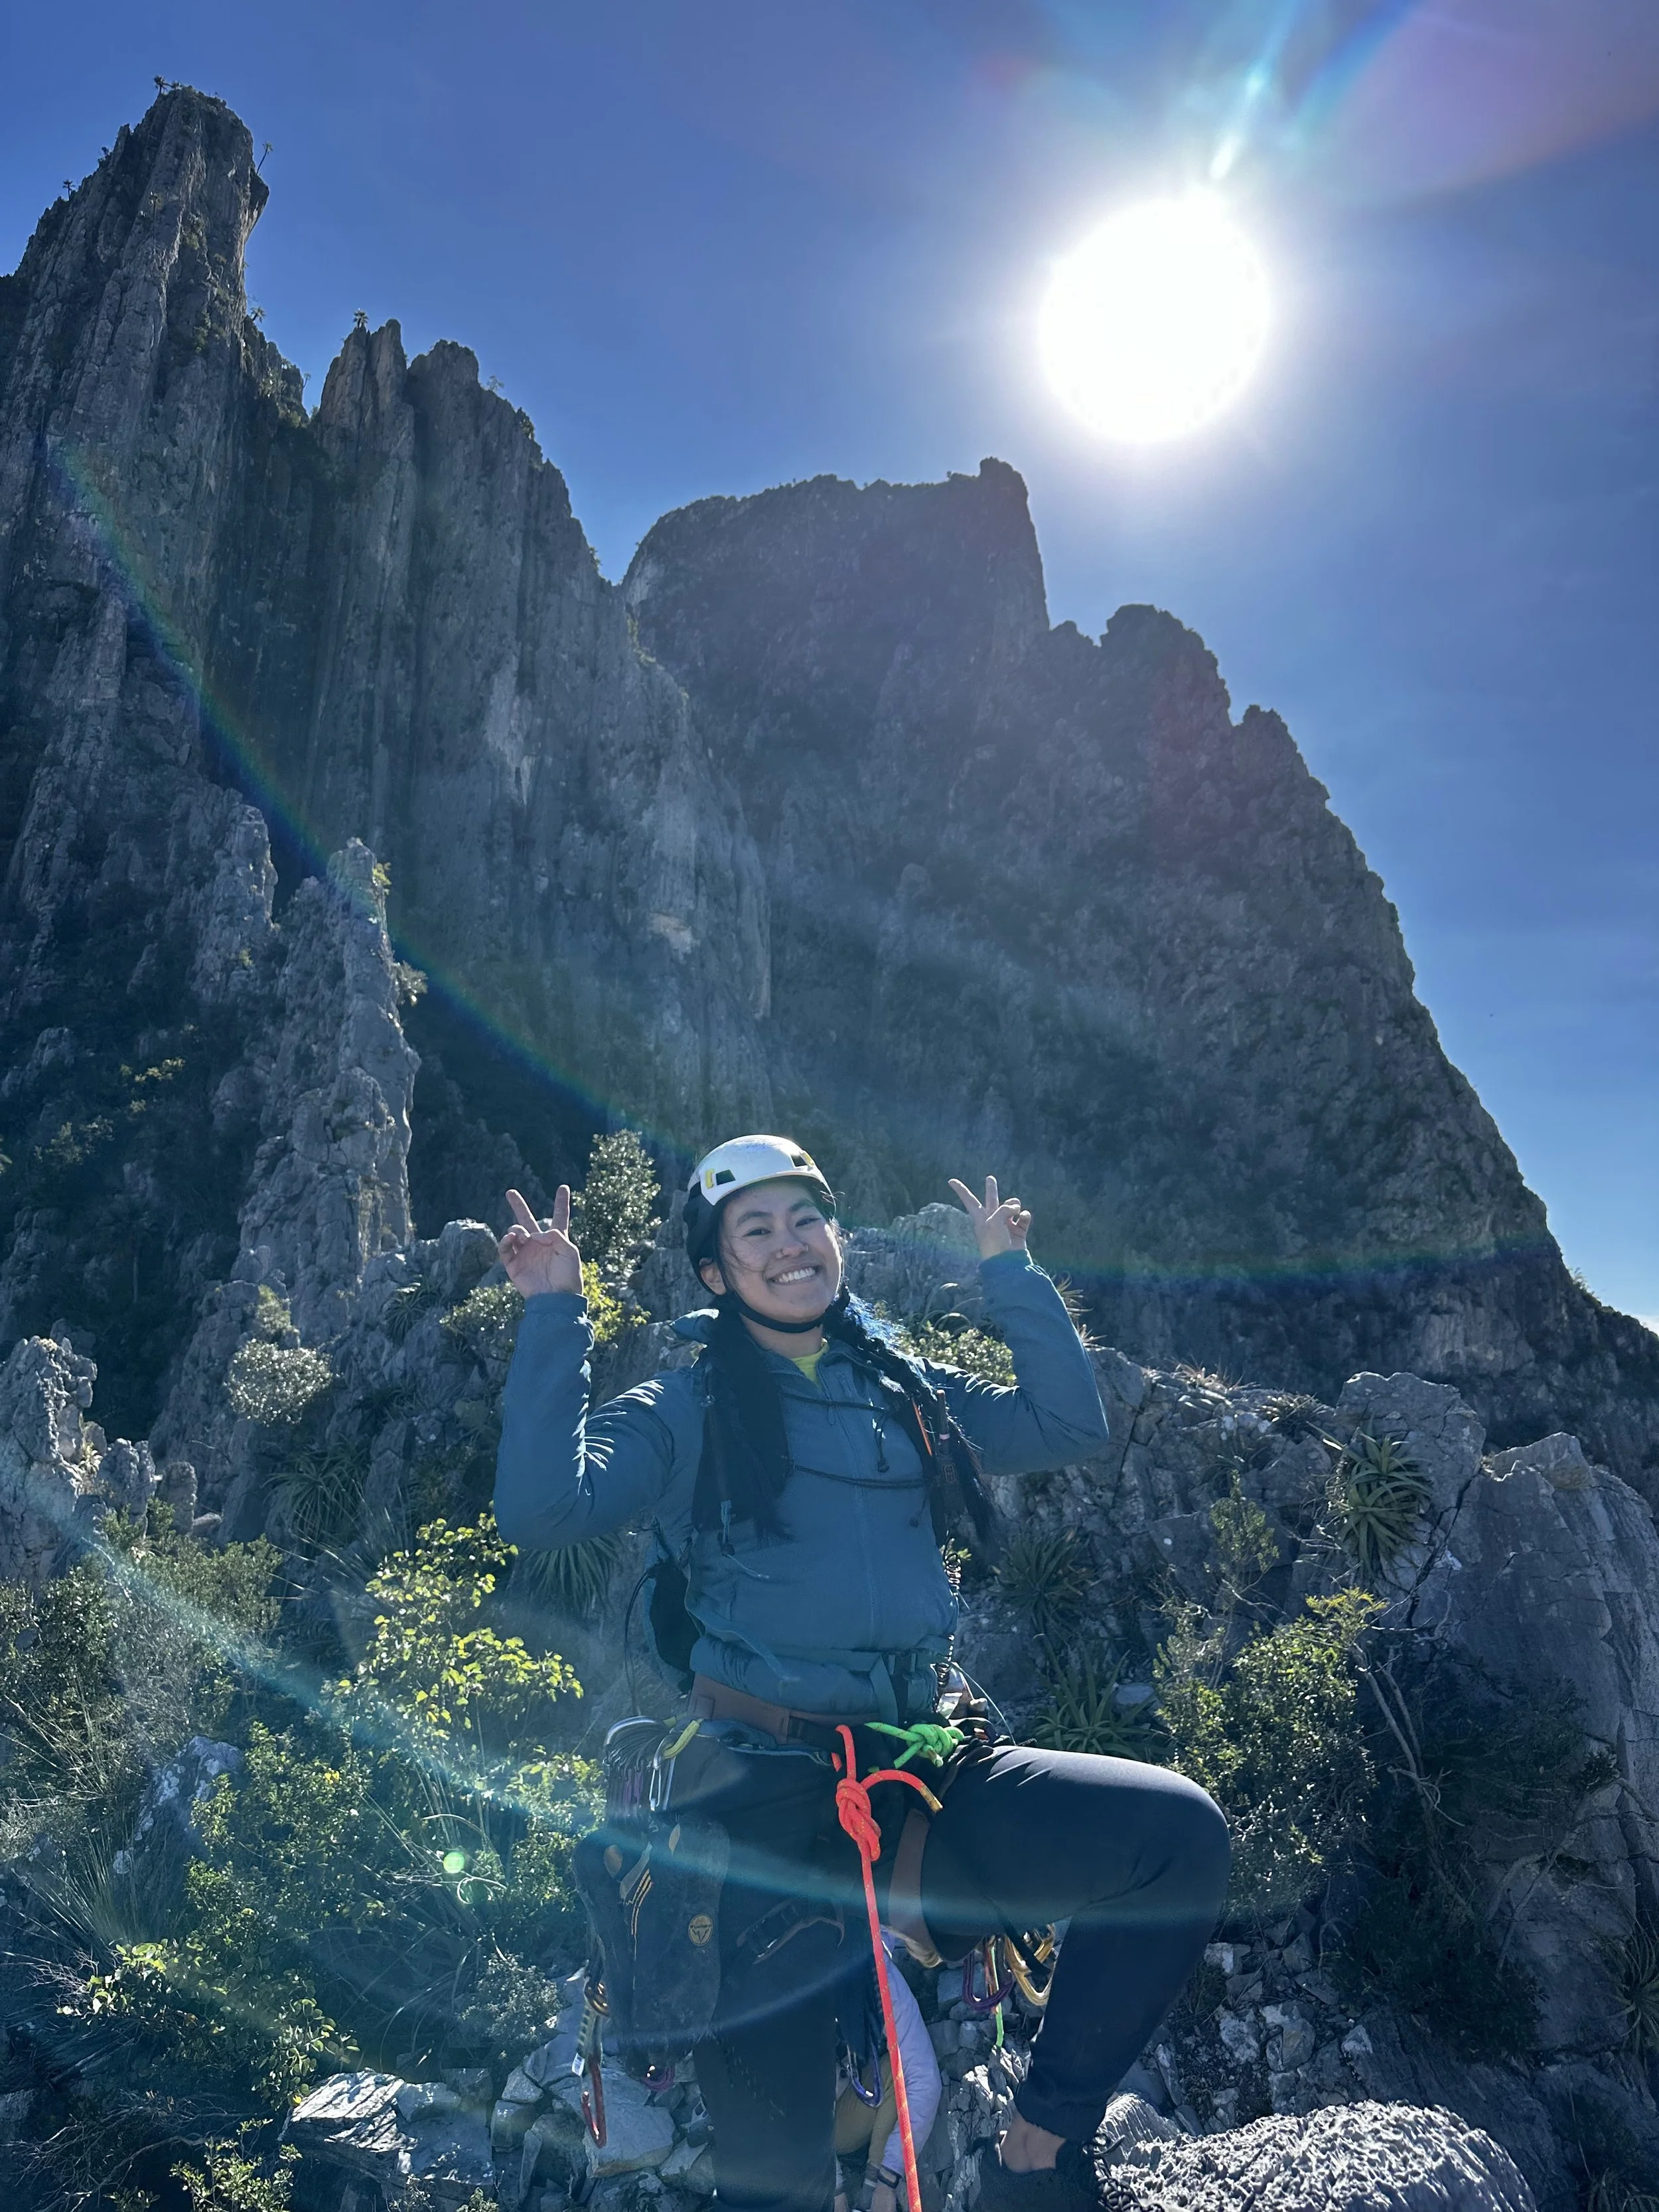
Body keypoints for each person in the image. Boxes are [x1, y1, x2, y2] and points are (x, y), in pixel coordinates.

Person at [495, 1135, 1229, 2212]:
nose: (791, 1244)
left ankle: (1030, 2159)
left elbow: (1067, 1423)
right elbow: (543, 1507)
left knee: (1176, 1841)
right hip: (756, 1803)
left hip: (913, 1773)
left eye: (807, 1219)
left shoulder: (903, 1388)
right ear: (716, 1272)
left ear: (838, 1239)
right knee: (779, 2180)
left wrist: (1010, 1275)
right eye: (758, 1230)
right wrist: (555, 1311)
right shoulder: (687, 1406)